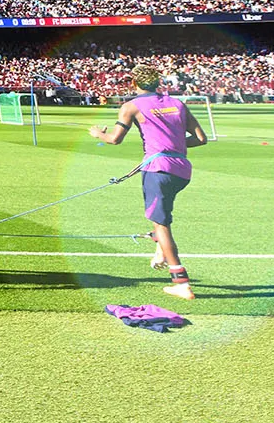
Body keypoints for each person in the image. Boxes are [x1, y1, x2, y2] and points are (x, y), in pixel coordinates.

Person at [89, 62, 208, 301]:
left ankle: (180, 282)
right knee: (161, 217)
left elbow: (114, 140)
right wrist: (174, 147)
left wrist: (97, 134)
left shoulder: (131, 106)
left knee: (160, 222)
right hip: (182, 170)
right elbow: (201, 139)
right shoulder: (177, 103)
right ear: (158, 82)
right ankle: (160, 248)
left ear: (134, 83)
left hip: (157, 169)